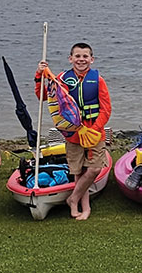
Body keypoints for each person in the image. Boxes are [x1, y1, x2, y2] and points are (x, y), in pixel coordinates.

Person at [35, 42, 112, 220]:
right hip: (73, 133)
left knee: (94, 169)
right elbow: (43, 97)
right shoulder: (62, 79)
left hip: (94, 133)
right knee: (78, 171)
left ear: (92, 59)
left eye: (85, 56)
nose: (81, 59)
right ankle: (82, 208)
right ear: (70, 59)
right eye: (77, 56)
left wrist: (93, 129)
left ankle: (73, 198)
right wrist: (39, 75)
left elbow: (106, 109)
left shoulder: (98, 80)